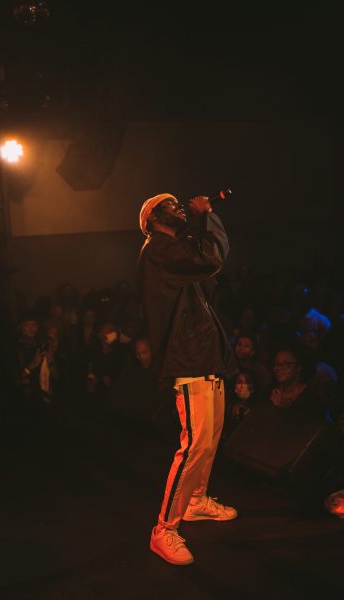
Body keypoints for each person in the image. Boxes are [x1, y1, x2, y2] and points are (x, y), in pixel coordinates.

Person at [137, 192, 238, 566]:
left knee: (210, 438)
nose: (179, 207)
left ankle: (196, 500)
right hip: (188, 357)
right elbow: (210, 257)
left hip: (204, 355)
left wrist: (200, 223)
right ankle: (164, 529)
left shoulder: (176, 250)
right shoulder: (158, 249)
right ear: (152, 219)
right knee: (194, 442)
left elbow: (207, 261)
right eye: (170, 206)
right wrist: (205, 215)